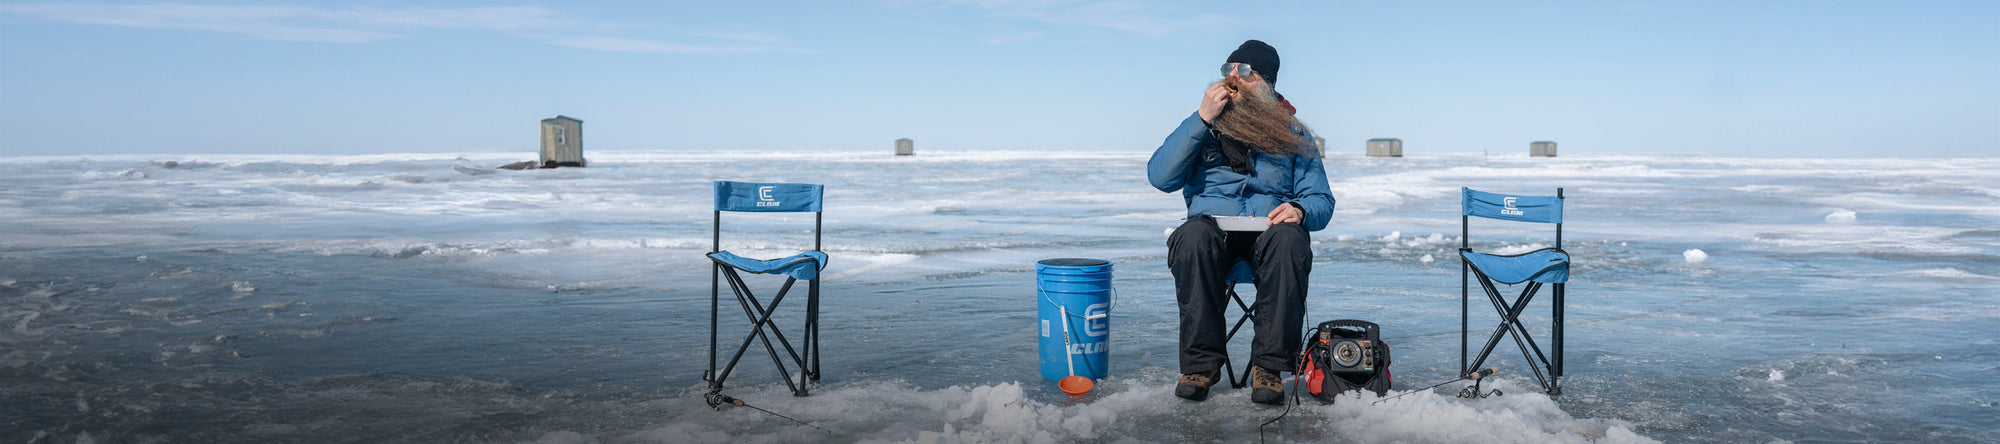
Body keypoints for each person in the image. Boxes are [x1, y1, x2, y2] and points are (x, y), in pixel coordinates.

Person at [1146, 40, 1334, 405]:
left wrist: (1299, 209)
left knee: (1291, 239)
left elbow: (1321, 201)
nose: (1233, 76)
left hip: (1269, 238)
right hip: (1212, 237)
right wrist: (1201, 120)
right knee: (1192, 235)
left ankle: (1269, 367)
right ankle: (1201, 366)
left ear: (1266, 82)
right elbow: (1160, 176)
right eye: (1228, 68)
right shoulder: (1203, 126)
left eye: (1245, 71)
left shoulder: (1294, 135)